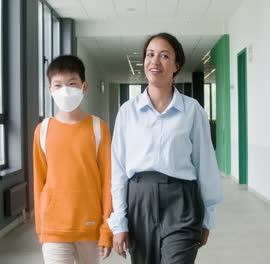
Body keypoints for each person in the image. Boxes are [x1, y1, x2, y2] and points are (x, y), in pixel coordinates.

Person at [108, 32, 223, 264]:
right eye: (150, 55)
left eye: (164, 56)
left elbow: (206, 165)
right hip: (139, 201)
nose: (155, 61)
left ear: (176, 65)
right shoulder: (128, 112)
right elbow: (118, 170)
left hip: (181, 201)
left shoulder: (192, 111)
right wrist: (119, 222)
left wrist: (208, 217)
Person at [33, 55, 112, 264]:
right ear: (50, 89)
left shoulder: (98, 128)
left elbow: (108, 182)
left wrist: (107, 229)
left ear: (84, 87)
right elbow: (39, 182)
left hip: (90, 225)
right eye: (58, 85)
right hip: (54, 228)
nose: (65, 90)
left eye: (72, 84)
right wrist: (41, 228)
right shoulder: (43, 130)